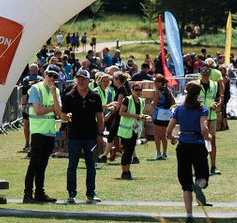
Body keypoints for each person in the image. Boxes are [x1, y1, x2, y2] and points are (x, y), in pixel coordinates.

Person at [166, 81, 212, 223]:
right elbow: (203, 128)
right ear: (198, 94)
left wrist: (172, 138)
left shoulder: (179, 109)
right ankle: (197, 185)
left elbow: (168, 130)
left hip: (183, 145)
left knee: (185, 184)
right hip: (197, 145)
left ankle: (189, 215)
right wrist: (209, 137)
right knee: (203, 176)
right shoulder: (202, 109)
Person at [60, 69, 105, 204]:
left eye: (83, 78)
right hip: (74, 136)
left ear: (88, 81)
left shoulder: (95, 96)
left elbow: (100, 117)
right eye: (78, 78)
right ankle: (71, 194)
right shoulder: (69, 96)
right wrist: (66, 116)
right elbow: (62, 114)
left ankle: (91, 193)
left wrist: (100, 134)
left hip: (91, 136)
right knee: (72, 164)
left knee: (91, 165)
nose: (80, 81)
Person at [22, 65, 62, 203]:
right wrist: (53, 108)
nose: (52, 78)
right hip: (38, 131)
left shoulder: (55, 90)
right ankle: (27, 194)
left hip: (50, 131)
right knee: (34, 163)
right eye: (50, 75)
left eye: (55, 76)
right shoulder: (35, 88)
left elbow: (58, 111)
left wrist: (53, 97)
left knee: (43, 164)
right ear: (44, 74)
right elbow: (38, 110)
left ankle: (39, 192)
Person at [116, 80, 147, 181]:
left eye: (140, 90)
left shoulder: (142, 101)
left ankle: (128, 170)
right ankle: (124, 171)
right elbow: (121, 112)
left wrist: (144, 117)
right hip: (126, 130)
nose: (138, 91)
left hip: (134, 130)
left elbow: (140, 114)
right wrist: (135, 116)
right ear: (132, 90)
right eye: (136, 90)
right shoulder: (127, 100)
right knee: (126, 151)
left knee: (130, 151)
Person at [196, 61, 223, 174]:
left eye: (208, 71)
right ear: (200, 72)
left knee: (212, 141)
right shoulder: (196, 84)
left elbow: (219, 98)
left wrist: (217, 104)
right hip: (199, 117)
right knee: (198, 142)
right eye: (203, 70)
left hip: (211, 117)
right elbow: (192, 101)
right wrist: (206, 106)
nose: (206, 73)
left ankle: (213, 166)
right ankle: (200, 166)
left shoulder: (214, 84)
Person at [18, 63, 43, 153]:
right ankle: (31, 143)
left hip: (30, 105)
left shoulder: (26, 79)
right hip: (36, 105)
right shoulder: (41, 79)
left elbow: (24, 93)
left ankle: (28, 143)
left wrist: (24, 104)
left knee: (27, 124)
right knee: (33, 124)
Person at [149, 74, 175, 160]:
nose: (154, 83)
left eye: (156, 81)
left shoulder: (157, 92)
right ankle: (165, 153)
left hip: (159, 114)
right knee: (164, 135)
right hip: (167, 115)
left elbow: (155, 103)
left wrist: (152, 104)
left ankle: (158, 153)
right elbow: (173, 102)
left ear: (160, 82)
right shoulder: (168, 90)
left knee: (156, 134)